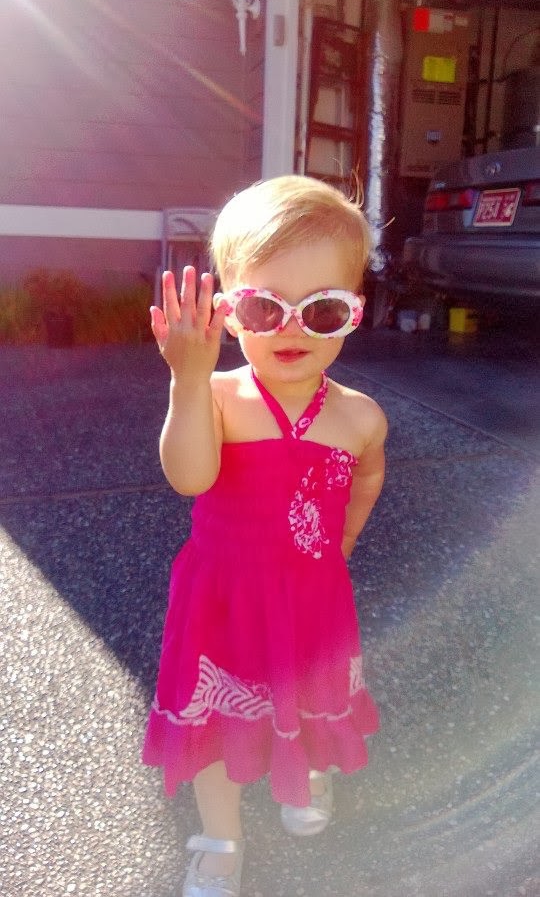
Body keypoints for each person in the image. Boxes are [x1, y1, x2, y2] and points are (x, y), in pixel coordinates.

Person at [143, 175, 388, 897]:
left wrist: (341, 546)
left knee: (305, 694)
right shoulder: (219, 397)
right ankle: (221, 837)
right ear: (228, 311)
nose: (291, 329)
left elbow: (366, 480)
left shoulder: (359, 416)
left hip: (311, 597)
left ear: (354, 313)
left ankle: (302, 772)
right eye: (263, 307)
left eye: (322, 309)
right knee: (215, 725)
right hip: (221, 598)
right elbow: (189, 476)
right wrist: (188, 380)